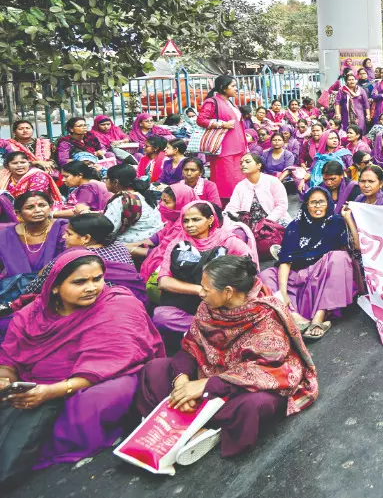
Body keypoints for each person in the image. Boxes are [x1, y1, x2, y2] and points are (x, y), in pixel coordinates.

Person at [0, 249, 163, 484]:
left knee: (109, 394)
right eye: (80, 282)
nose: (91, 287)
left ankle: (46, 442)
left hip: (91, 382)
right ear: (55, 287)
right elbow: (9, 359)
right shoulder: (32, 314)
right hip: (33, 387)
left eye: (97, 279)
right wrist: (5, 381)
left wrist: (51, 391)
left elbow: (112, 362)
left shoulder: (120, 305)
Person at [137, 255, 318, 463]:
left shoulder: (266, 316)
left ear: (228, 292)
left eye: (206, 289)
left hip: (253, 382)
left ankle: (202, 427)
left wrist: (206, 385)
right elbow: (191, 345)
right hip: (208, 372)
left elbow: (265, 371)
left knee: (254, 405)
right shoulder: (208, 308)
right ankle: (187, 418)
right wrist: (182, 382)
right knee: (154, 369)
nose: (201, 293)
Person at [256, 187, 357, 341]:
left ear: (328, 203)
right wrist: (283, 293)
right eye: (313, 202)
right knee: (265, 276)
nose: (317, 206)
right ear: (306, 205)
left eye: (321, 202)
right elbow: (285, 261)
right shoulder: (295, 226)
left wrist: (348, 218)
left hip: (323, 274)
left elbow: (356, 246)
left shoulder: (336, 222)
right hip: (296, 275)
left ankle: (319, 317)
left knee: (340, 257)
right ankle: (293, 315)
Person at [151, 202, 257, 337]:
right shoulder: (177, 244)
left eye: (196, 219)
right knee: (161, 316)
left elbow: (249, 269)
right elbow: (164, 281)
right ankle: (215, 329)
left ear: (210, 220)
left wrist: (218, 293)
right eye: (186, 220)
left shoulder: (227, 241)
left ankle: (207, 329)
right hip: (184, 305)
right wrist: (199, 290)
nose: (189, 225)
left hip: (220, 303)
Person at [57, 213, 146, 303]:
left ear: (86, 238)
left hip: (106, 303)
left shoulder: (78, 257)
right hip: (137, 299)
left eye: (69, 234)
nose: (64, 236)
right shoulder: (119, 245)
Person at [0, 192, 68, 297]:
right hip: (14, 289)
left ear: (50, 207)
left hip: (55, 286)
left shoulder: (64, 228)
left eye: (42, 205)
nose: (38, 210)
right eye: (30, 207)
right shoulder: (6, 235)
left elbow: (71, 256)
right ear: (18, 213)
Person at [196, 76, 247, 206]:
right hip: (223, 149)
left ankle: (238, 208)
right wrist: (222, 124)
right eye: (233, 86)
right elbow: (201, 120)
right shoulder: (212, 102)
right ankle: (223, 209)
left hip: (238, 148)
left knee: (239, 181)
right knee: (226, 183)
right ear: (223, 88)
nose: (236, 89)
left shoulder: (230, 102)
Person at [102, 164, 163, 245]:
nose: (105, 181)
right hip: (154, 239)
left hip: (134, 245)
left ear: (115, 182)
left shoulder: (121, 200)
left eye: (106, 179)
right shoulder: (142, 194)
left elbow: (107, 230)